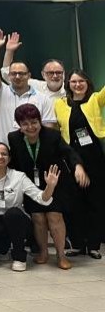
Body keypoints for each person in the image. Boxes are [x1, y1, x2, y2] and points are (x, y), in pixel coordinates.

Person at [7, 104, 87, 270]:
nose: (31, 127)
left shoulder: (52, 135)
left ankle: (61, 255)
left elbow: (69, 152)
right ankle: (43, 252)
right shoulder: (13, 138)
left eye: (34, 122)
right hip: (31, 184)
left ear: (40, 121)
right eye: (25, 124)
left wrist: (78, 166)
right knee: (38, 217)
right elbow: (13, 162)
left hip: (55, 181)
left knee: (54, 216)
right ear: (19, 125)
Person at [0, 142, 57, 271]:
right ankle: (3, 249)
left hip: (17, 219)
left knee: (13, 214)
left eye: (4, 154)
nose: (0, 157)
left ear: (9, 158)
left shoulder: (19, 177)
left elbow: (41, 197)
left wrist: (50, 186)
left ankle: (19, 257)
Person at [54, 69, 105, 259]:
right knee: (74, 203)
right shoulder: (60, 104)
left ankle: (93, 245)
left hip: (94, 157)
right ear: (68, 84)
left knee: (95, 201)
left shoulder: (95, 99)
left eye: (81, 81)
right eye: (74, 81)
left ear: (87, 83)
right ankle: (77, 244)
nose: (78, 85)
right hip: (70, 157)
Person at [0, 29, 57, 143]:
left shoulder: (43, 99)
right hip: (3, 150)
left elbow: (48, 130)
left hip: (31, 150)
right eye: (14, 73)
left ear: (29, 75)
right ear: (9, 75)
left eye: (22, 73)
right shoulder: (1, 93)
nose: (17, 76)